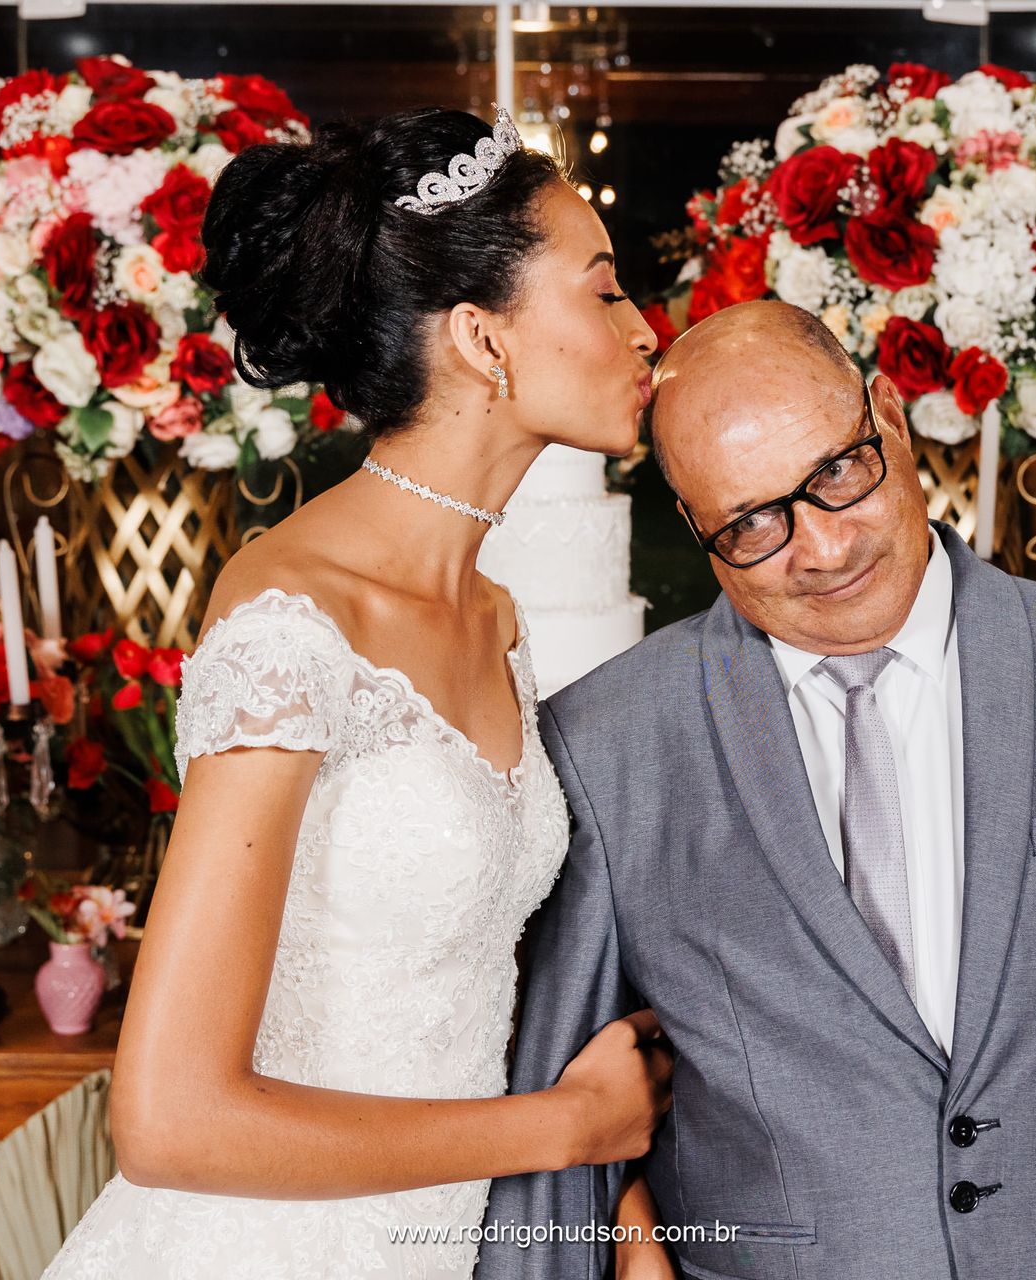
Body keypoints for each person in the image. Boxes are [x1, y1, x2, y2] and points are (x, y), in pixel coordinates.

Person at [477, 300, 1036, 1280]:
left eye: (837, 475)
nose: (820, 548)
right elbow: (557, 1167)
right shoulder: (606, 742)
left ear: (889, 414)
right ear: (694, 525)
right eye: (752, 521)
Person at [42, 106, 670, 1280]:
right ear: (483, 338)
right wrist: (571, 1129)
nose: (646, 331)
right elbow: (169, 1118)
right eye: (605, 291)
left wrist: (626, 1213)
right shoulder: (292, 618)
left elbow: (485, 972)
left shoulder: (499, 619)